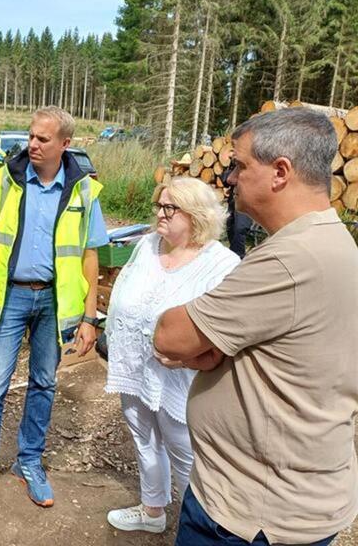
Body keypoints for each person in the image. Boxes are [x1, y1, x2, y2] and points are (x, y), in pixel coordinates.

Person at [154, 108, 358, 545]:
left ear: (280, 172)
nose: (230, 178)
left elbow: (171, 336)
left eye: (240, 166)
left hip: (248, 515)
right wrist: (215, 346)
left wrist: (208, 347)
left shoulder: (289, 261)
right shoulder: (333, 241)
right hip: (292, 499)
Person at [0, 106, 109, 526]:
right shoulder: (4, 180)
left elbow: (90, 255)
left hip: (54, 303)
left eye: (43, 138)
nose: (33, 144)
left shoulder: (83, 191)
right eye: (31, 136)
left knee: (43, 383)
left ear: (65, 144)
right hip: (8, 298)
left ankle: (29, 462)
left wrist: (90, 318)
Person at [104, 178, 239, 534]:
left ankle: (201, 529)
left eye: (170, 208)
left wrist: (190, 357)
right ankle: (152, 511)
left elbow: (228, 329)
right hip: (135, 366)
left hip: (183, 378)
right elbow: (122, 291)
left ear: (195, 215)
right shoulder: (147, 245)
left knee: (186, 454)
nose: (160, 214)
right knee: (144, 440)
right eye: (159, 205)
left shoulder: (221, 263)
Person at [220, 159, 253, 257]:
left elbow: (231, 179)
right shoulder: (234, 161)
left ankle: (238, 256)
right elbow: (227, 180)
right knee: (230, 225)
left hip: (247, 198)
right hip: (233, 197)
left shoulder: (252, 160)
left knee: (240, 228)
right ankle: (233, 254)